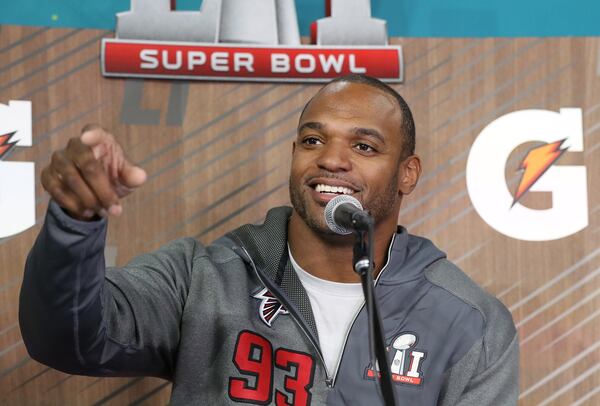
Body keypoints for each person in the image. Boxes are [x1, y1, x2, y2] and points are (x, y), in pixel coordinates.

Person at [19, 74, 519, 405]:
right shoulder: (203, 277)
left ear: (407, 174)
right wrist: (75, 223)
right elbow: (66, 339)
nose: (331, 160)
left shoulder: (469, 321)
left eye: (364, 146)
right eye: (312, 140)